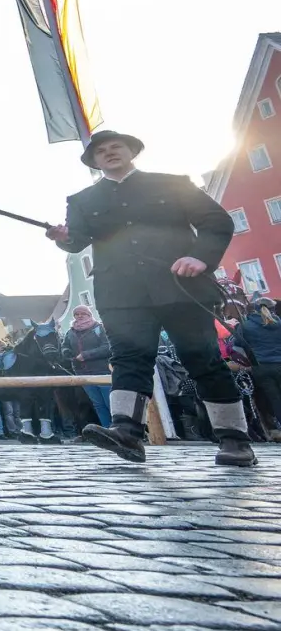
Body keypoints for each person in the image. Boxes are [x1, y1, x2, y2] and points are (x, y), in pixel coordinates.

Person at [47, 130, 255, 466]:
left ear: (132, 151)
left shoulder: (172, 184)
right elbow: (77, 240)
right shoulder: (82, 200)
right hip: (122, 294)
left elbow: (216, 221)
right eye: (102, 151)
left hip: (180, 287)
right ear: (95, 161)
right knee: (129, 358)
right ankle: (126, 432)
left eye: (117, 147)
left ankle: (234, 439)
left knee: (202, 358)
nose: (110, 152)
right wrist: (62, 238)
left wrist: (201, 257)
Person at [232, 299, 281, 437]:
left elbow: (237, 348)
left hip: (261, 367)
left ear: (254, 309)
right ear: (273, 308)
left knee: (274, 399)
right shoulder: (279, 324)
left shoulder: (245, 326)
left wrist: (248, 363)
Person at [61, 306, 113, 428]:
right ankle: (106, 429)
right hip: (81, 373)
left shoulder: (99, 328)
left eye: (82, 313)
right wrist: (66, 352)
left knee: (109, 403)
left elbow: (108, 347)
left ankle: (118, 429)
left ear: (89, 315)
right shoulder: (70, 332)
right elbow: (65, 346)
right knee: (98, 404)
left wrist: (86, 355)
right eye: (76, 314)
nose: (79, 316)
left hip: (102, 371)